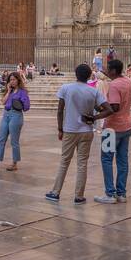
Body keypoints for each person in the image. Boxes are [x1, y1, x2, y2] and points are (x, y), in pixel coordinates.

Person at [46, 64, 106, 204]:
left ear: (76, 74)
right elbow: (106, 109)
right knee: (82, 163)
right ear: (88, 76)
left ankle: (55, 192)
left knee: (64, 161)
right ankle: (79, 196)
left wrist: (60, 129)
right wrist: (94, 118)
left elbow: (60, 110)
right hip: (86, 131)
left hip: (70, 130)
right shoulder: (93, 91)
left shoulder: (66, 88)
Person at [85, 58, 131, 204]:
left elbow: (114, 108)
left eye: (107, 68)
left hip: (112, 129)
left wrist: (95, 117)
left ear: (113, 71)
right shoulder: (127, 81)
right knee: (122, 160)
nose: (105, 70)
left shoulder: (114, 85)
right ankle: (121, 193)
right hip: (127, 126)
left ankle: (110, 193)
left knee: (106, 160)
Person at [0, 69, 30, 171]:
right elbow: (3, 102)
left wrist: (20, 103)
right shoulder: (8, 91)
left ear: (18, 80)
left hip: (16, 115)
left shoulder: (23, 92)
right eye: (10, 80)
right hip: (6, 115)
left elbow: (26, 107)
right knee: (1, 139)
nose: (12, 81)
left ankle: (14, 164)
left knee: (14, 141)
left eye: (14, 79)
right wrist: (9, 91)